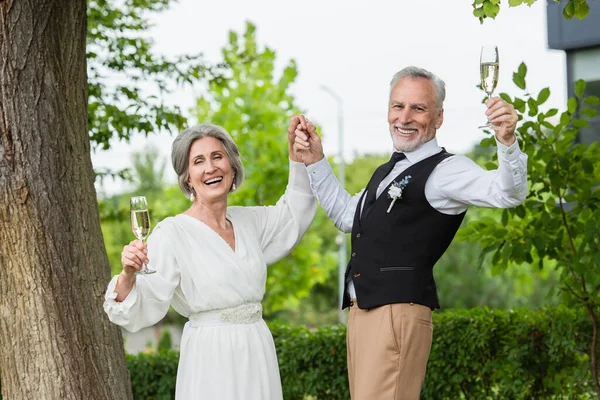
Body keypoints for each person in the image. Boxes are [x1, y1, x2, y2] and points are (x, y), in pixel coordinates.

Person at [291, 66, 528, 400]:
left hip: (396, 313)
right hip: (363, 313)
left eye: (418, 108)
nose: (404, 117)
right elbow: (347, 216)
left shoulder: (447, 171)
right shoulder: (386, 171)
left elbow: (508, 193)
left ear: (439, 118)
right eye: (397, 106)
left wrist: (506, 143)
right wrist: (315, 161)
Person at [103, 120, 316, 400]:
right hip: (210, 358)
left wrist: (298, 159)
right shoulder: (171, 232)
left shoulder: (249, 220)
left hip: (257, 348)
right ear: (188, 177)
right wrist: (128, 275)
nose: (210, 168)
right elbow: (141, 302)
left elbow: (294, 214)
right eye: (198, 161)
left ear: (232, 166)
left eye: (218, 157)